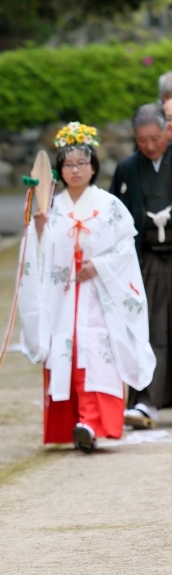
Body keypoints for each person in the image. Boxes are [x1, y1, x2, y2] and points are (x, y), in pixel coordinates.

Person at [19, 122, 155, 453]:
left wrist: (100, 265)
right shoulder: (50, 207)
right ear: (59, 170)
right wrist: (39, 230)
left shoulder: (109, 206)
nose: (76, 170)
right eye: (68, 164)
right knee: (68, 349)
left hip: (100, 295)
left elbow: (125, 247)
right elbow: (37, 255)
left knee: (97, 354)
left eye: (82, 163)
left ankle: (93, 424)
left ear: (93, 167)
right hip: (63, 298)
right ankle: (75, 424)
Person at [110, 103, 172, 426]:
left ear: (167, 132)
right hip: (144, 260)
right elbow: (113, 216)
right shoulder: (127, 168)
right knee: (146, 329)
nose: (149, 145)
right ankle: (145, 401)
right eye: (142, 139)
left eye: (156, 138)